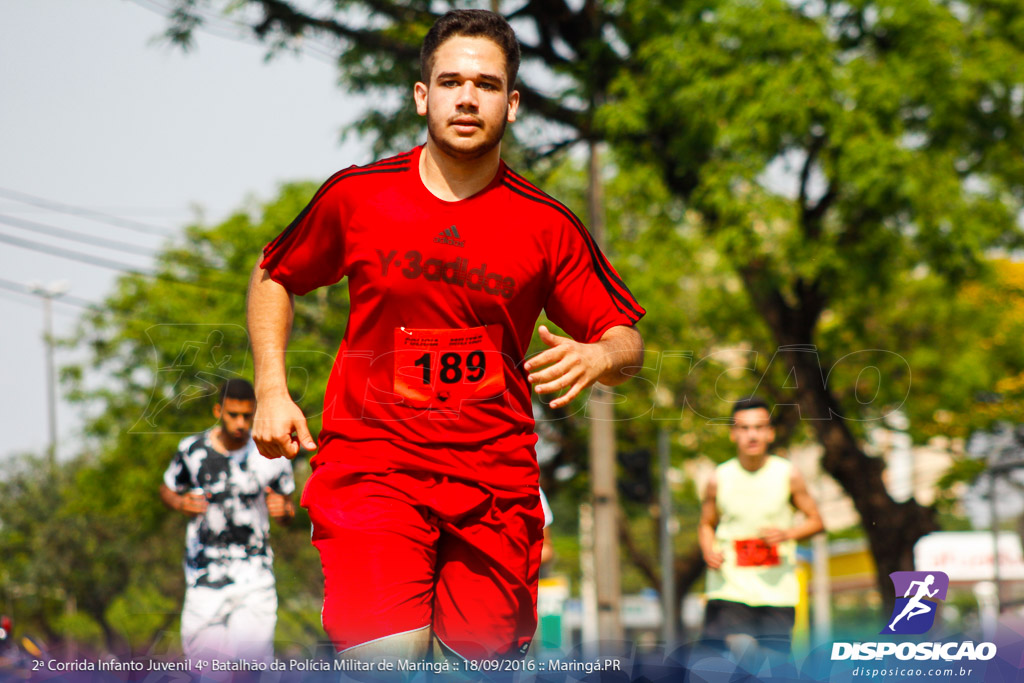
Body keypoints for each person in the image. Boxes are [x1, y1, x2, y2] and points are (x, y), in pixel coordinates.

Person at [246, 9, 645, 662]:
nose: (467, 97)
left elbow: (625, 337)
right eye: (451, 81)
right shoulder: (358, 197)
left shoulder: (547, 225)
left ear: (511, 105)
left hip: (495, 484)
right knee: (387, 658)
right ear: (422, 95)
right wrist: (271, 387)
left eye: (486, 85)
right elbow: (273, 273)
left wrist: (601, 353)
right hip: (375, 468)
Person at [159, 379, 295, 663]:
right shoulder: (192, 450)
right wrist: (180, 503)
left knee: (252, 669)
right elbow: (168, 488)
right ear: (218, 411)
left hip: (255, 579)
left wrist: (284, 512)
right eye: (233, 414)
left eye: (247, 415)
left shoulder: (271, 454)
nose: (241, 423)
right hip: (204, 579)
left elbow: (286, 508)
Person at [698, 397, 824, 662]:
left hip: (776, 590)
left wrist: (787, 534)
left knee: (771, 665)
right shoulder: (718, 478)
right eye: (743, 428)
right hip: (730, 586)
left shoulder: (788, 474)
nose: (751, 435)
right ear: (733, 434)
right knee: (741, 650)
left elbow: (816, 521)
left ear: (770, 432)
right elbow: (706, 525)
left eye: (758, 427)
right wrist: (708, 550)